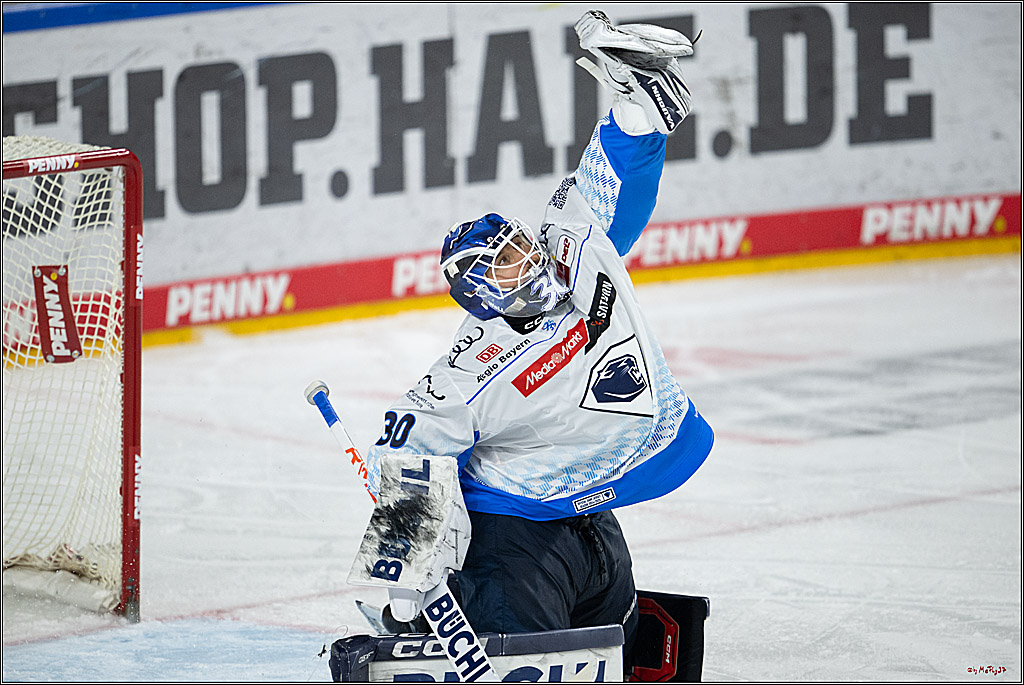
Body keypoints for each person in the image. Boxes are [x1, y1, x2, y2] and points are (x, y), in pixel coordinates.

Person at [363, 9, 714, 666]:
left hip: (588, 521)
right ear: (477, 294)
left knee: (607, 650)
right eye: (503, 264)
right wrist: (404, 581)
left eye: (520, 246)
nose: (527, 262)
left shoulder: (574, 251)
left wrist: (635, 109)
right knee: (529, 652)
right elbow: (413, 445)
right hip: (514, 539)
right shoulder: (467, 372)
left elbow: (608, 184)